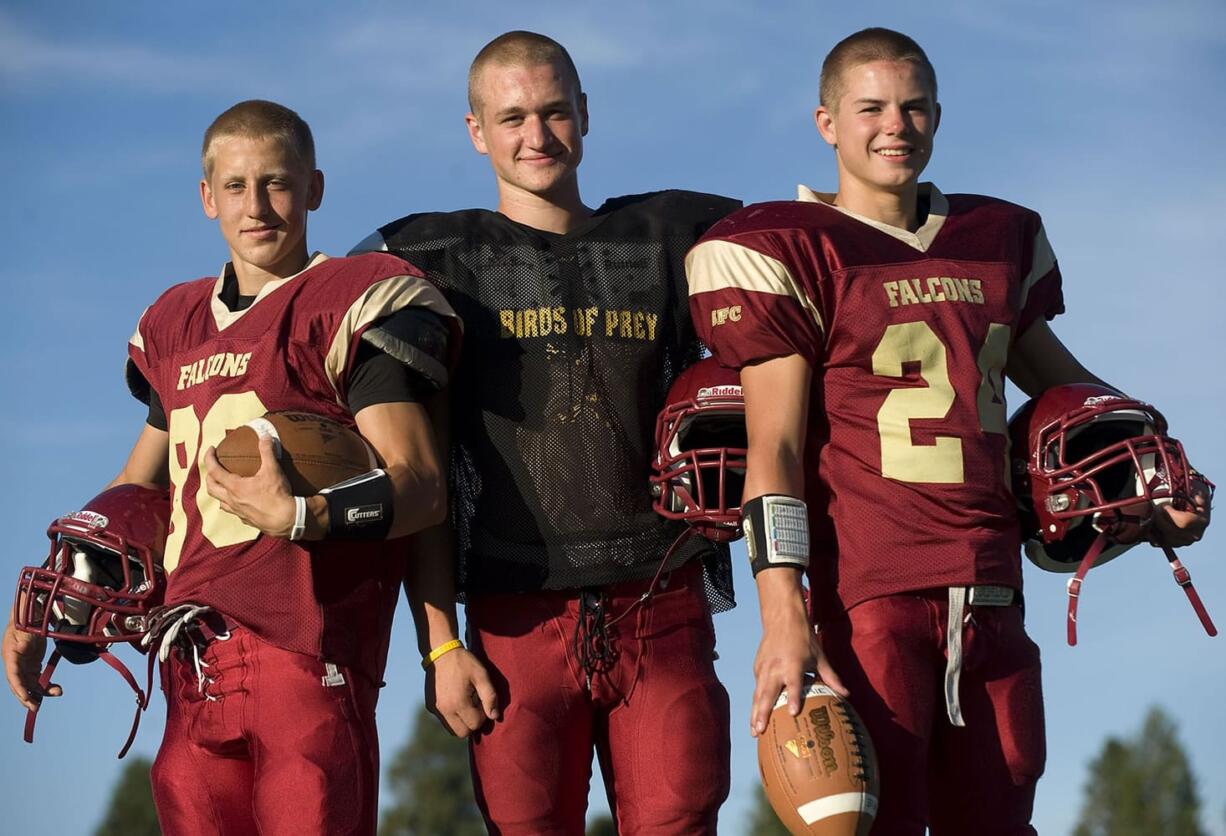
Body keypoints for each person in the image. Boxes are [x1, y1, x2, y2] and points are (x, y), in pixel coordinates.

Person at [684, 28, 1211, 835]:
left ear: (936, 115)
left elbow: (1070, 386)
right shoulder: (785, 247)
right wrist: (782, 616)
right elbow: (776, 451)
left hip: (994, 587)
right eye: (871, 108)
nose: (895, 125)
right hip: (868, 593)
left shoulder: (998, 240)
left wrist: (1154, 474)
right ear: (827, 122)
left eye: (913, 106)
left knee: (1004, 818)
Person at [2, 99, 470, 835]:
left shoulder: (349, 299)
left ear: (314, 188)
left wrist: (300, 516)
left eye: (277, 184)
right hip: (189, 661)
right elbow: (136, 490)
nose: (257, 207)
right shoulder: (174, 323)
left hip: (305, 652)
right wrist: (57, 601)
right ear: (206, 197)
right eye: (236, 186)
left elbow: (422, 488)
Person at [354, 31, 740, 835]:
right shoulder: (432, 260)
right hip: (512, 615)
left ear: (586, 114)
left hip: (658, 596)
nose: (537, 136)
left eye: (555, 111)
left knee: (681, 821)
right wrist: (438, 646)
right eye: (514, 117)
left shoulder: (672, 236)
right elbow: (417, 473)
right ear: (475, 130)